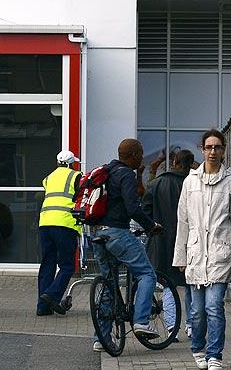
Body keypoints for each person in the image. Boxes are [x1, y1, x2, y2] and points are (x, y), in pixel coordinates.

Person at [173, 129, 231, 370]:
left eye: (217, 147)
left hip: (220, 253)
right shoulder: (190, 182)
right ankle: (198, 349)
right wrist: (180, 256)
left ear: (223, 150)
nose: (213, 151)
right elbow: (182, 221)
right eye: (209, 147)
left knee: (214, 307)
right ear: (202, 150)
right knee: (196, 310)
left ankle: (215, 355)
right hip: (195, 254)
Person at [91, 138, 163, 350]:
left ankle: (101, 338)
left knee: (109, 284)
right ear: (133, 155)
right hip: (117, 233)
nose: (142, 158)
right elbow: (133, 208)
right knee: (147, 274)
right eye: (140, 154)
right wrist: (151, 225)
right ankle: (141, 321)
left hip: (98, 234)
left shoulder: (106, 171)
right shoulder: (126, 174)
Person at [142, 149, 195, 339]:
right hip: (189, 241)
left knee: (168, 285)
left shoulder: (156, 184)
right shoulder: (194, 184)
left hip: (161, 242)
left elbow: (145, 211)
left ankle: (172, 327)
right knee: (191, 285)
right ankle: (192, 325)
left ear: (173, 162)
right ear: (191, 164)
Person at [36, 149, 82, 316]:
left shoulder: (48, 178)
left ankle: (42, 307)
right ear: (71, 163)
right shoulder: (76, 176)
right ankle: (52, 295)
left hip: (45, 222)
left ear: (57, 162)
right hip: (65, 224)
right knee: (67, 265)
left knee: (47, 263)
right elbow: (81, 197)